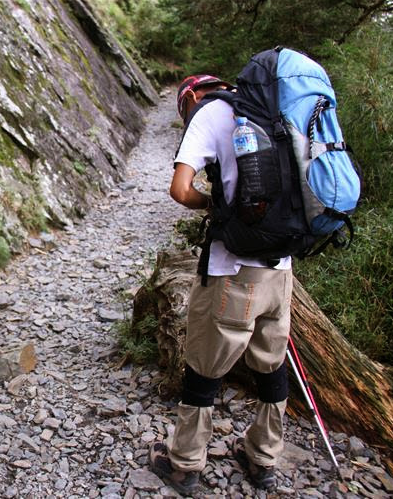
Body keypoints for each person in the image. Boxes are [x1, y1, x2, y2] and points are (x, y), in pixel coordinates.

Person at [149, 75, 292, 494]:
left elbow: (180, 189)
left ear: (191, 96)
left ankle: (185, 465)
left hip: (232, 272)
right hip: (281, 266)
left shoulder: (209, 112)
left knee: (203, 368)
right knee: (271, 364)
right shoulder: (270, 111)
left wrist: (214, 205)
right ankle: (263, 460)